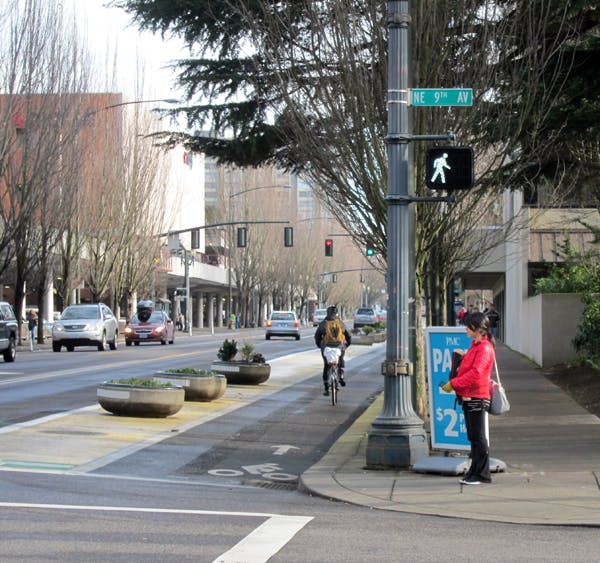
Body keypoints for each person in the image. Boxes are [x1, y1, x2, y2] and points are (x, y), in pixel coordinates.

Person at [440, 311, 495, 485]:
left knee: (478, 437)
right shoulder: (477, 346)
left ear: (477, 328)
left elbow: (476, 373)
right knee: (474, 436)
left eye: (468, 325)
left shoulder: (484, 348)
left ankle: (481, 473)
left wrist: (454, 384)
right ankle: (476, 471)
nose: (465, 328)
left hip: (477, 396)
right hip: (471, 396)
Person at [314, 305, 351, 396]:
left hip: (327, 347)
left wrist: (320, 346)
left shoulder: (323, 323)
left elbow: (317, 336)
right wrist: (346, 345)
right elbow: (348, 336)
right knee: (340, 361)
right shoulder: (340, 323)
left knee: (326, 366)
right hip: (339, 346)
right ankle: (341, 376)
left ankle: (326, 387)